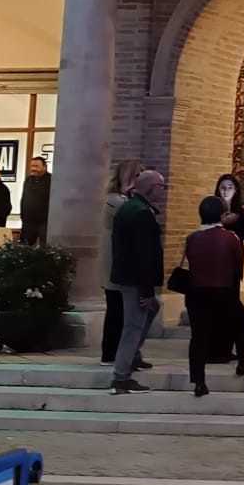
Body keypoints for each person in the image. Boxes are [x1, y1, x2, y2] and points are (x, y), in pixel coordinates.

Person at [108, 170, 167, 396]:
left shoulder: (131, 207)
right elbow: (145, 255)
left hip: (129, 275)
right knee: (133, 326)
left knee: (150, 311)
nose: (163, 191)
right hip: (135, 278)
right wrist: (147, 291)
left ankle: (133, 356)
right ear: (151, 187)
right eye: (161, 186)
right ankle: (121, 377)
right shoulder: (141, 212)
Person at [179, 196, 244, 398]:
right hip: (222, 290)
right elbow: (238, 266)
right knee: (241, 322)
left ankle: (199, 381)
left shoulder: (192, 238)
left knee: (198, 337)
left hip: (196, 292)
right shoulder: (230, 238)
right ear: (222, 214)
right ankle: (243, 362)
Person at [98, 160, 149, 373]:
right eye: (138, 175)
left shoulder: (125, 200)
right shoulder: (115, 201)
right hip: (115, 259)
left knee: (125, 311)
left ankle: (129, 354)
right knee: (116, 310)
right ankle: (111, 354)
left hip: (122, 257)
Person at [20, 156, 51, 245]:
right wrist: (23, 215)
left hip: (44, 222)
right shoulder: (28, 180)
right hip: (28, 221)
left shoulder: (51, 180)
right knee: (25, 247)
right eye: (32, 166)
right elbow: (24, 198)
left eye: (36, 166)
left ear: (44, 167)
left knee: (44, 247)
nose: (33, 169)